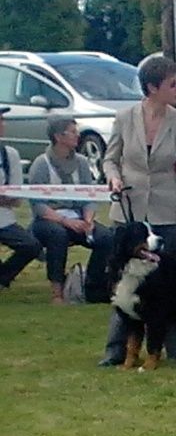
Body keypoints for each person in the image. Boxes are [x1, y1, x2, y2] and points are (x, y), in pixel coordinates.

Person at [98, 56, 176, 366]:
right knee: (124, 284)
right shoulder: (124, 118)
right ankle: (116, 351)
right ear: (152, 88)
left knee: (171, 283)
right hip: (129, 211)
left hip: (167, 211)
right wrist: (113, 177)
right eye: (172, 84)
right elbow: (110, 158)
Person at [28, 115, 114, 304]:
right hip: (49, 220)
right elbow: (37, 205)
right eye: (73, 132)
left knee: (106, 237)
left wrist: (88, 220)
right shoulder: (41, 164)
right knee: (57, 236)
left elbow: (89, 196)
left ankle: (92, 285)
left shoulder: (82, 162)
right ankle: (57, 292)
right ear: (59, 137)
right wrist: (66, 221)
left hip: (78, 216)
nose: (77, 136)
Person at [0, 106, 41, 291]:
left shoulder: (10, 155)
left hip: (4, 219)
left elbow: (16, 197)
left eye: (2, 120)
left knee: (31, 246)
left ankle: (3, 277)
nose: (2, 124)